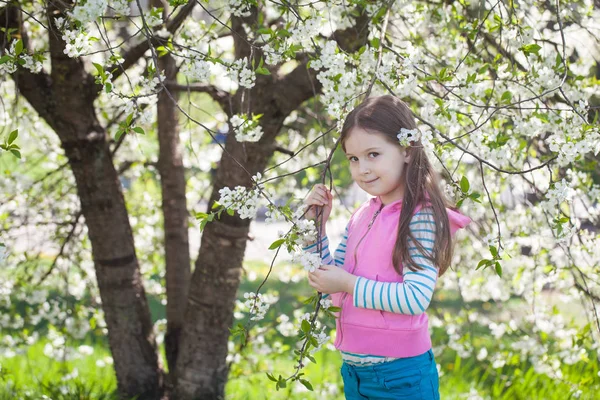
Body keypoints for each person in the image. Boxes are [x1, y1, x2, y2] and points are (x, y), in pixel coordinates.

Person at [302, 95, 471, 399]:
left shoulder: (420, 217)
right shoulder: (363, 214)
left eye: (373, 154)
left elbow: (414, 298)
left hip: (400, 377)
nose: (362, 169)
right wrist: (314, 231)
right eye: (353, 158)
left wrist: (347, 283)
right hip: (355, 374)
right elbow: (332, 286)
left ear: (406, 150)